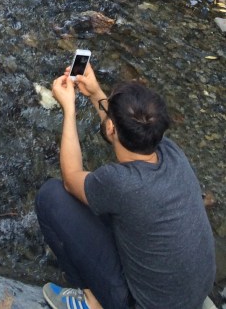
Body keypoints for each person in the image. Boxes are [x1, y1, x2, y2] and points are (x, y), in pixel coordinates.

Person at [35, 62, 216, 309]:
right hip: (191, 294)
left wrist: (69, 109)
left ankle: (91, 299)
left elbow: (70, 177)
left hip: (141, 304)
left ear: (110, 127)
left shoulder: (119, 183)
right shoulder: (171, 152)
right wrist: (96, 93)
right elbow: (126, 132)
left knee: (50, 196)